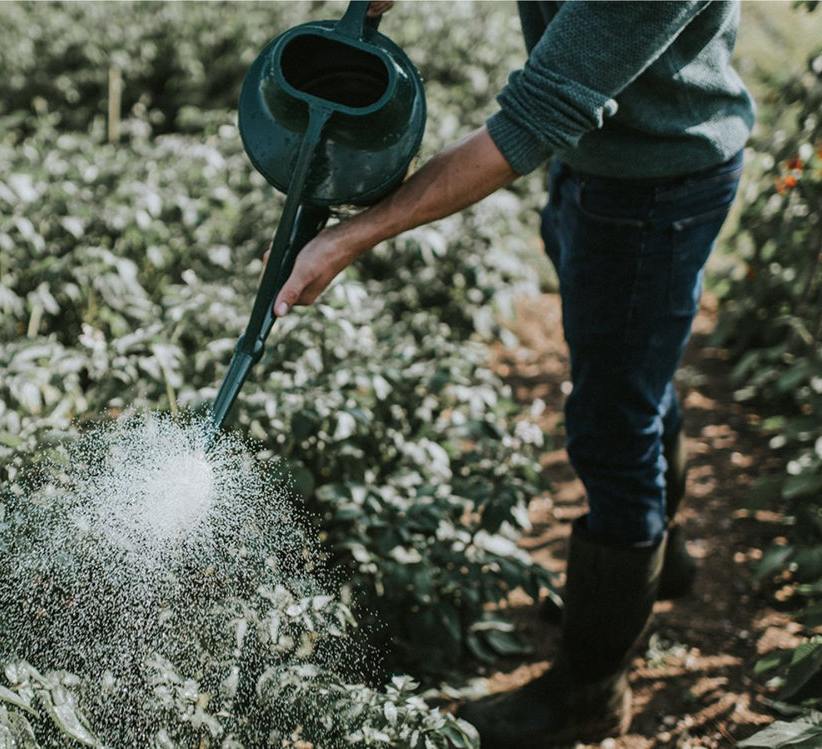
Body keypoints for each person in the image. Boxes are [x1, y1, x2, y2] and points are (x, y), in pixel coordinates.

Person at [271, 1, 754, 745]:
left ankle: (588, 690)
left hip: (655, 185)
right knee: (631, 370)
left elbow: (531, 120)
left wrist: (353, 236)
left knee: (610, 426)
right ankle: (663, 561)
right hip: (601, 159)